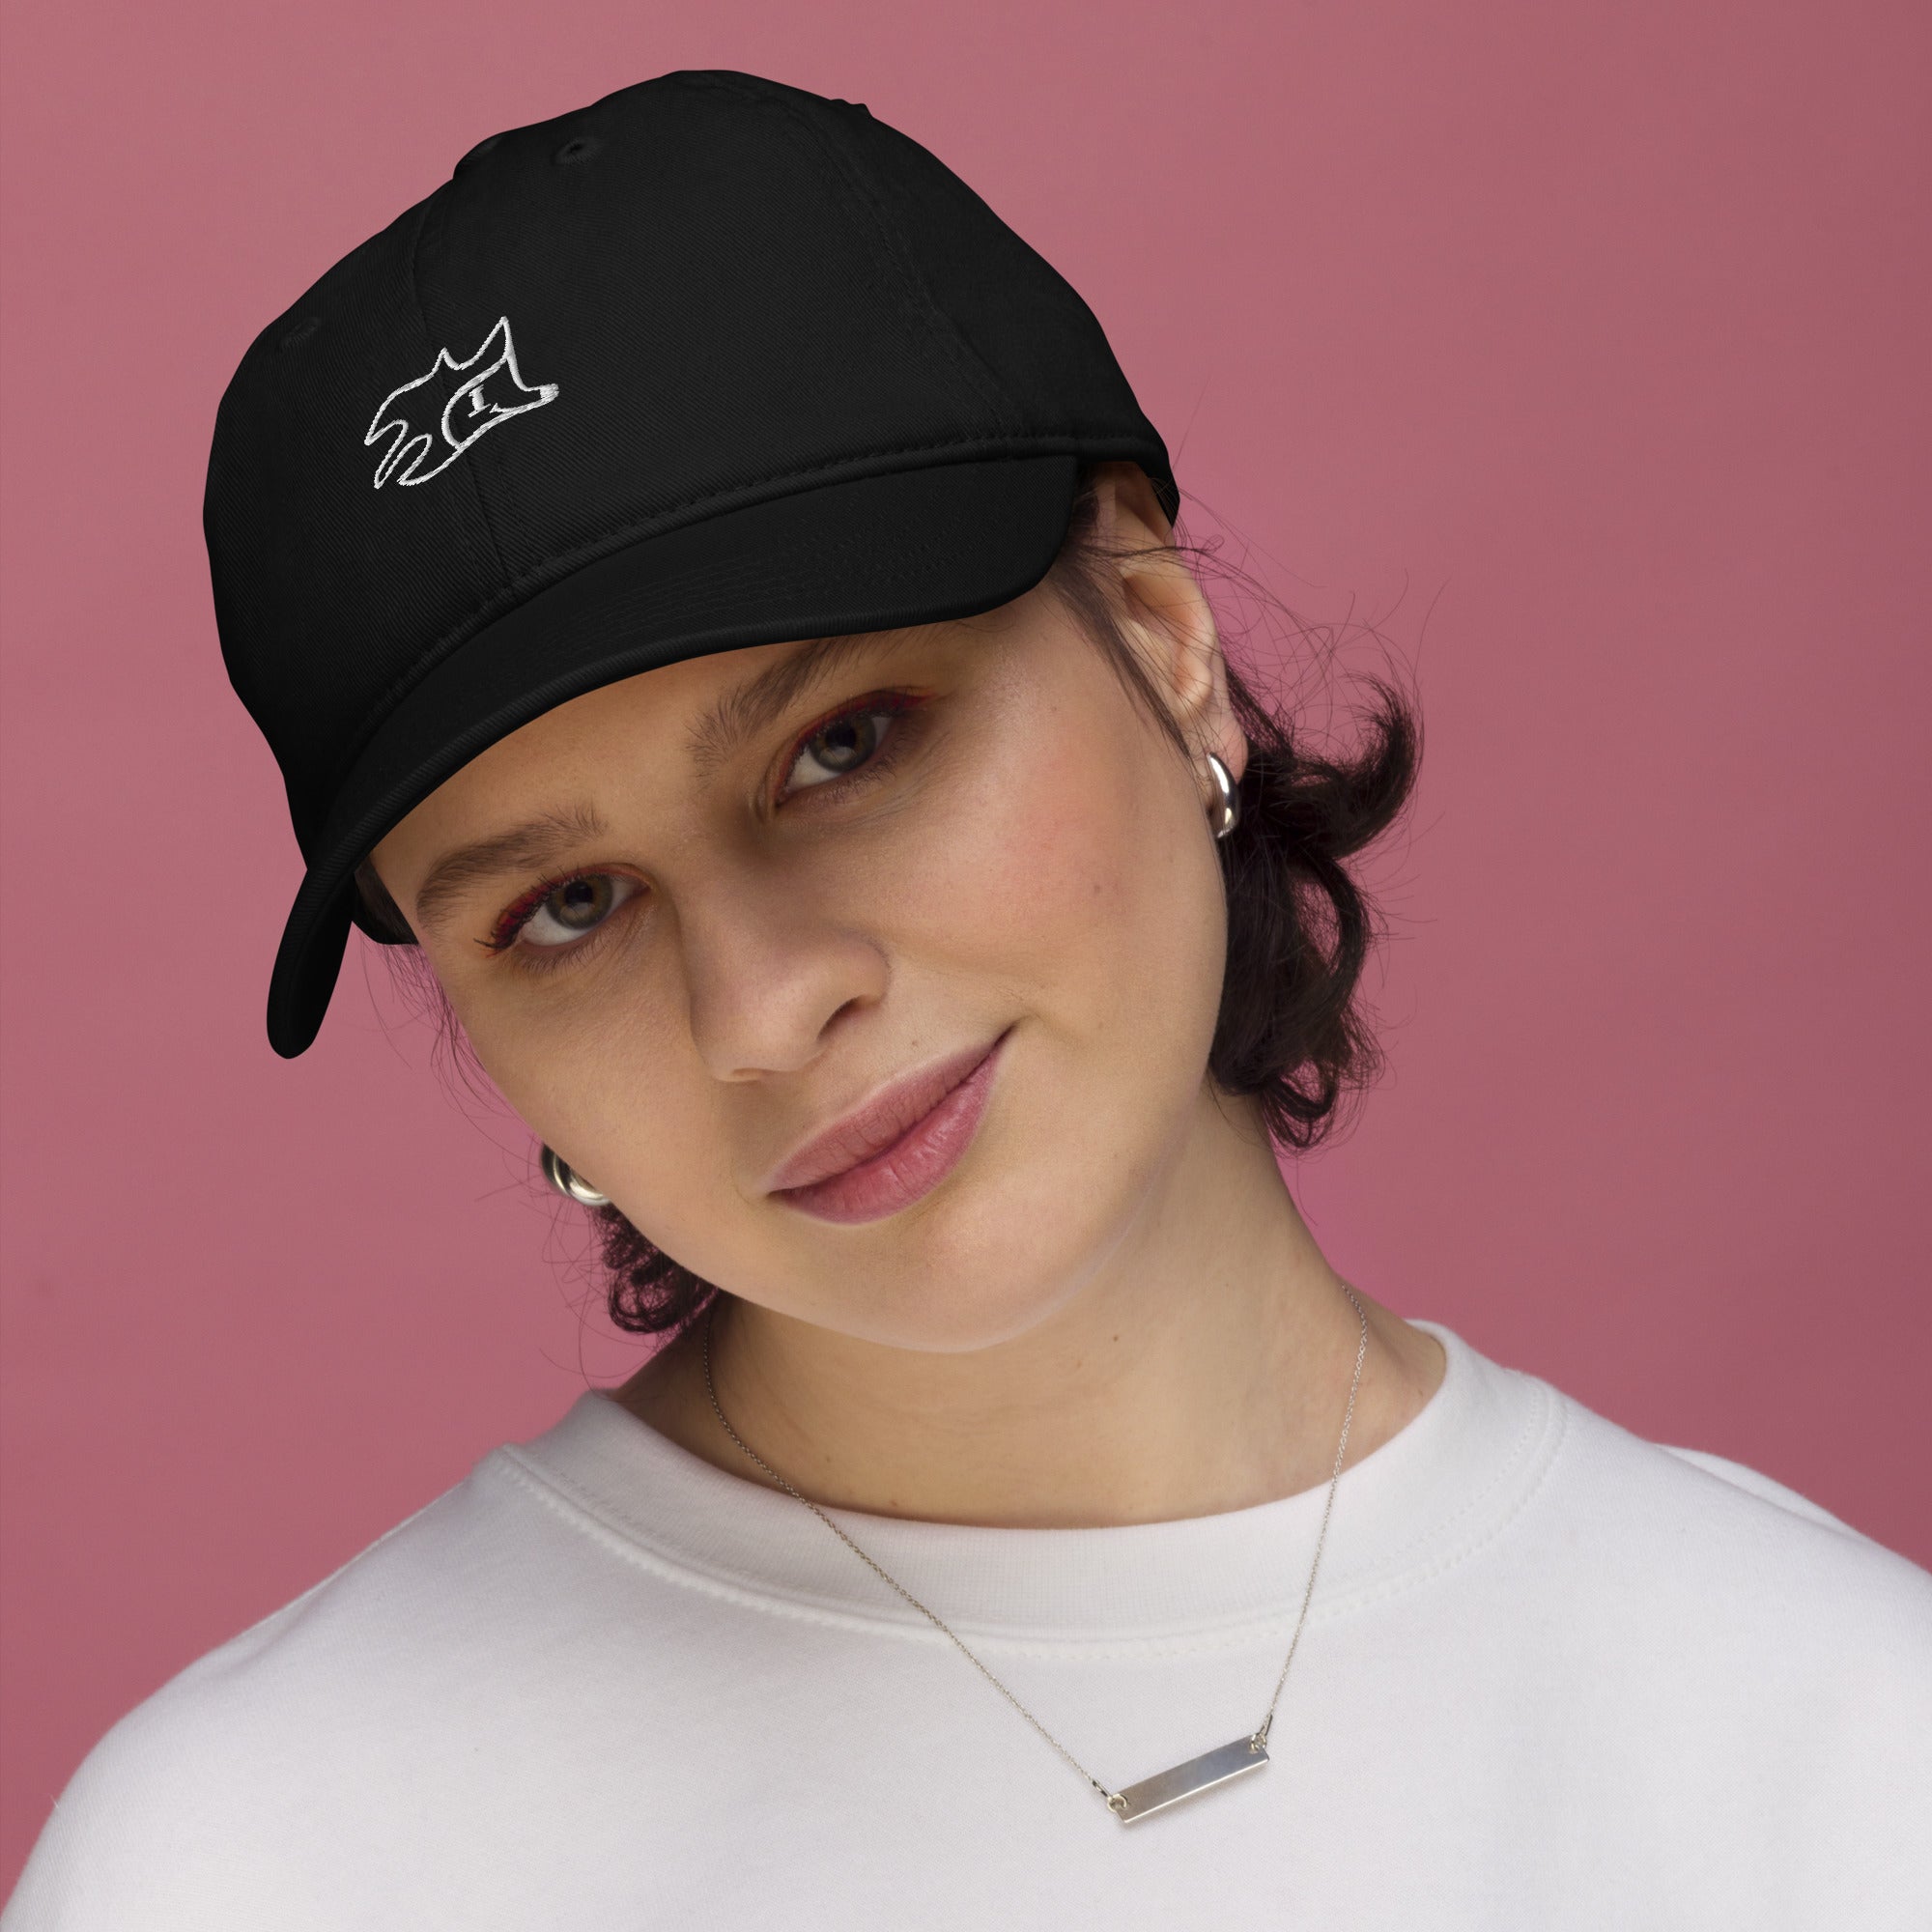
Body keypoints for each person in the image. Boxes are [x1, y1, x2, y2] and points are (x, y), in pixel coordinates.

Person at [6, 67, 1928, 1931]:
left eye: (847, 744)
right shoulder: (252, 1866)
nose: (762, 1007)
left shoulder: (1833, 1743)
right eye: (569, 905)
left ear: (1162, 638)